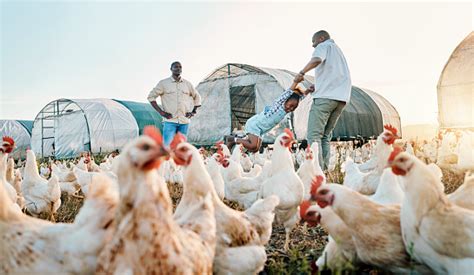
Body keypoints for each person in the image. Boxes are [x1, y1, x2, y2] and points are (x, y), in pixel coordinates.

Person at [294, 30, 351, 171]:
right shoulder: (338, 52)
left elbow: (317, 59)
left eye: (313, 42)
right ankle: (325, 171)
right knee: (325, 136)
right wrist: (318, 85)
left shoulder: (323, 46)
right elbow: (333, 75)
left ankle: (316, 173)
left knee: (313, 136)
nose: (313, 46)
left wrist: (302, 72)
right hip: (341, 99)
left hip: (325, 98)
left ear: (321, 38)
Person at [225, 81, 314, 153]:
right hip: (255, 125)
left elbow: (300, 98)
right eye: (290, 105)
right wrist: (296, 81)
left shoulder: (287, 109)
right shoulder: (278, 105)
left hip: (261, 130)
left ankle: (239, 138)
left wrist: (308, 91)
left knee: (255, 149)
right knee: (252, 145)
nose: (290, 108)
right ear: (285, 101)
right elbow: (288, 93)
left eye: (293, 108)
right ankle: (232, 139)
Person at [148, 61, 201, 146]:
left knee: (181, 147)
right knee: (167, 147)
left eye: (180, 67)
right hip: (170, 121)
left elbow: (197, 97)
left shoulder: (187, 84)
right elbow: (151, 97)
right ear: (171, 69)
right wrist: (161, 112)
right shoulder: (163, 83)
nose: (178, 68)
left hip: (184, 121)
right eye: (175, 67)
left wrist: (193, 112)